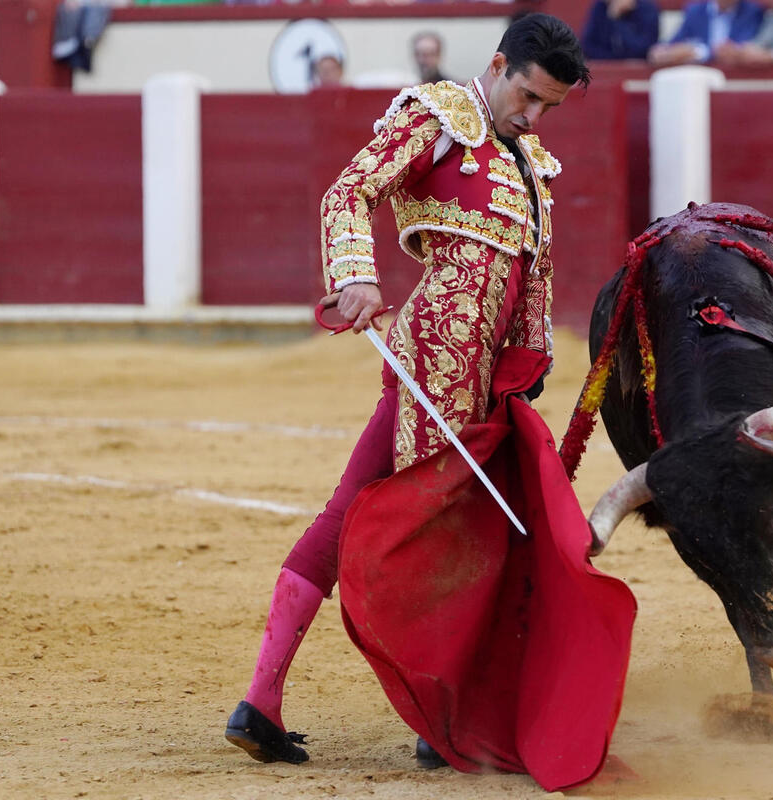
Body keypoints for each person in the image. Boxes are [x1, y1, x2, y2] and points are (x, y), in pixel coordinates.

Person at [224, 13, 589, 768]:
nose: (534, 115)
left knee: (358, 509)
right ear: (497, 65)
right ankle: (438, 716)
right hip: (433, 356)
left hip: (482, 376)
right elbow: (348, 191)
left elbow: (535, 280)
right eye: (527, 96)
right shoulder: (439, 117)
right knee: (447, 526)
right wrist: (355, 277)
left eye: (549, 106)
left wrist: (527, 367)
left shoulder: (530, 164)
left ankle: (262, 701)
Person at [647, 0, 765, 67]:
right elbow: (676, 41)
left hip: (737, 84)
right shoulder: (695, 11)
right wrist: (662, 51)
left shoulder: (752, 11)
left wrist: (696, 52)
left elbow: (735, 50)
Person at [581, 0, 661, 60]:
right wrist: (613, 58)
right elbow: (587, 45)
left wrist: (618, 20)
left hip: (638, 71)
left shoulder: (647, 9)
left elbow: (641, 49)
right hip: (606, 67)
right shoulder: (600, 7)